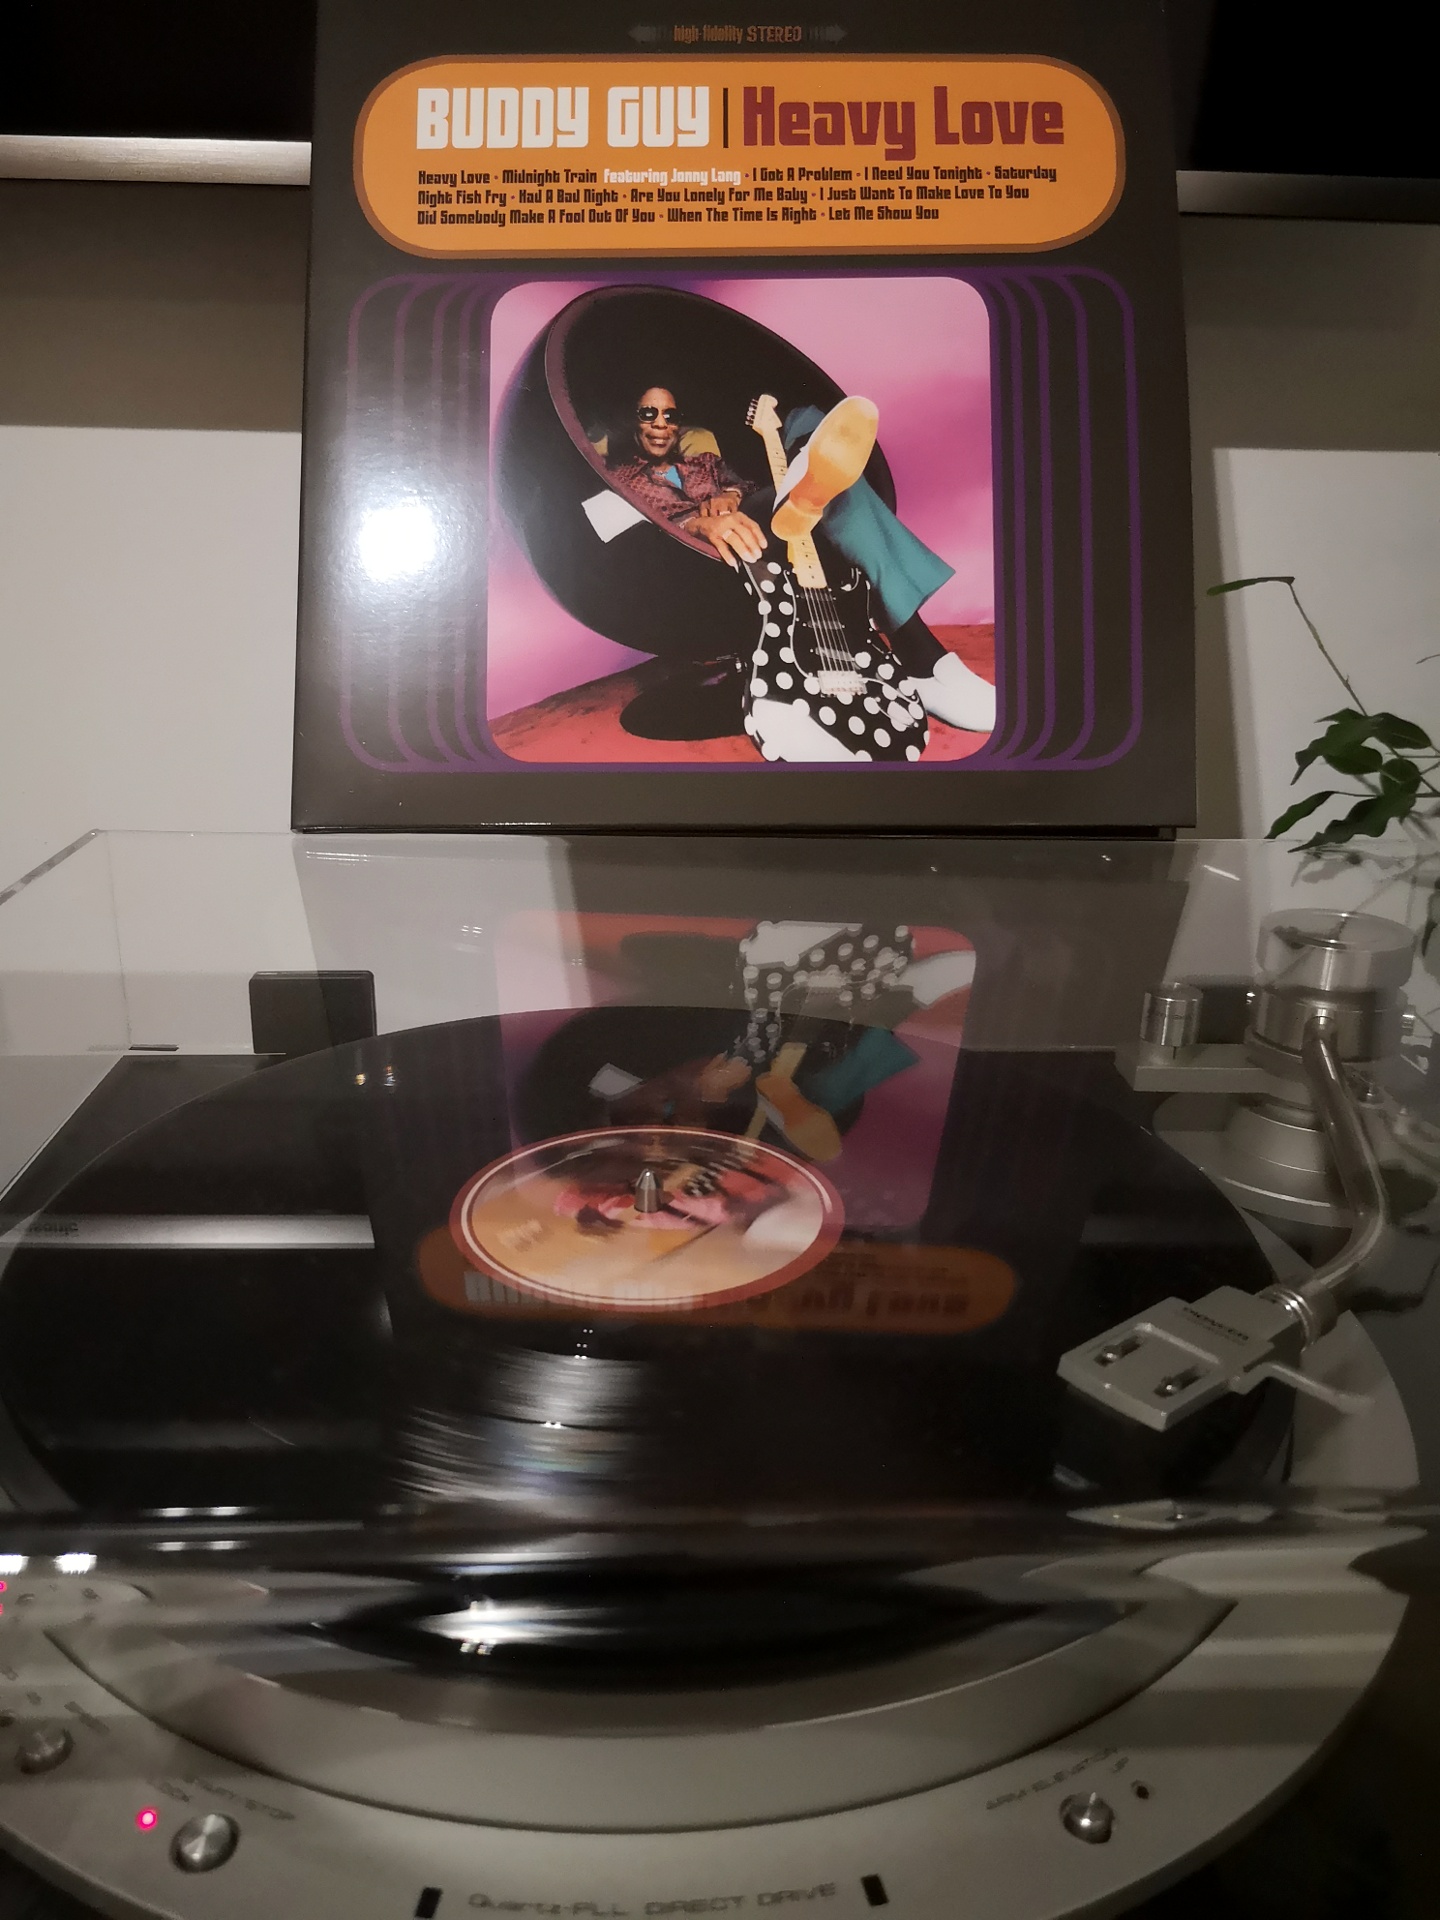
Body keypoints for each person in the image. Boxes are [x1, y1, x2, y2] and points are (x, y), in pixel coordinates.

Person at [604, 385, 996, 741]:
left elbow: (744, 485)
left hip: (753, 526)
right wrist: (695, 522)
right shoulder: (619, 475)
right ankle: (924, 659)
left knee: (825, 482)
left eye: (670, 415)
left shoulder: (702, 461)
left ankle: (808, 468)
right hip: (700, 554)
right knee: (824, 491)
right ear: (632, 421)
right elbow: (617, 522)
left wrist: (731, 496)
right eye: (648, 413)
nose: (661, 423)